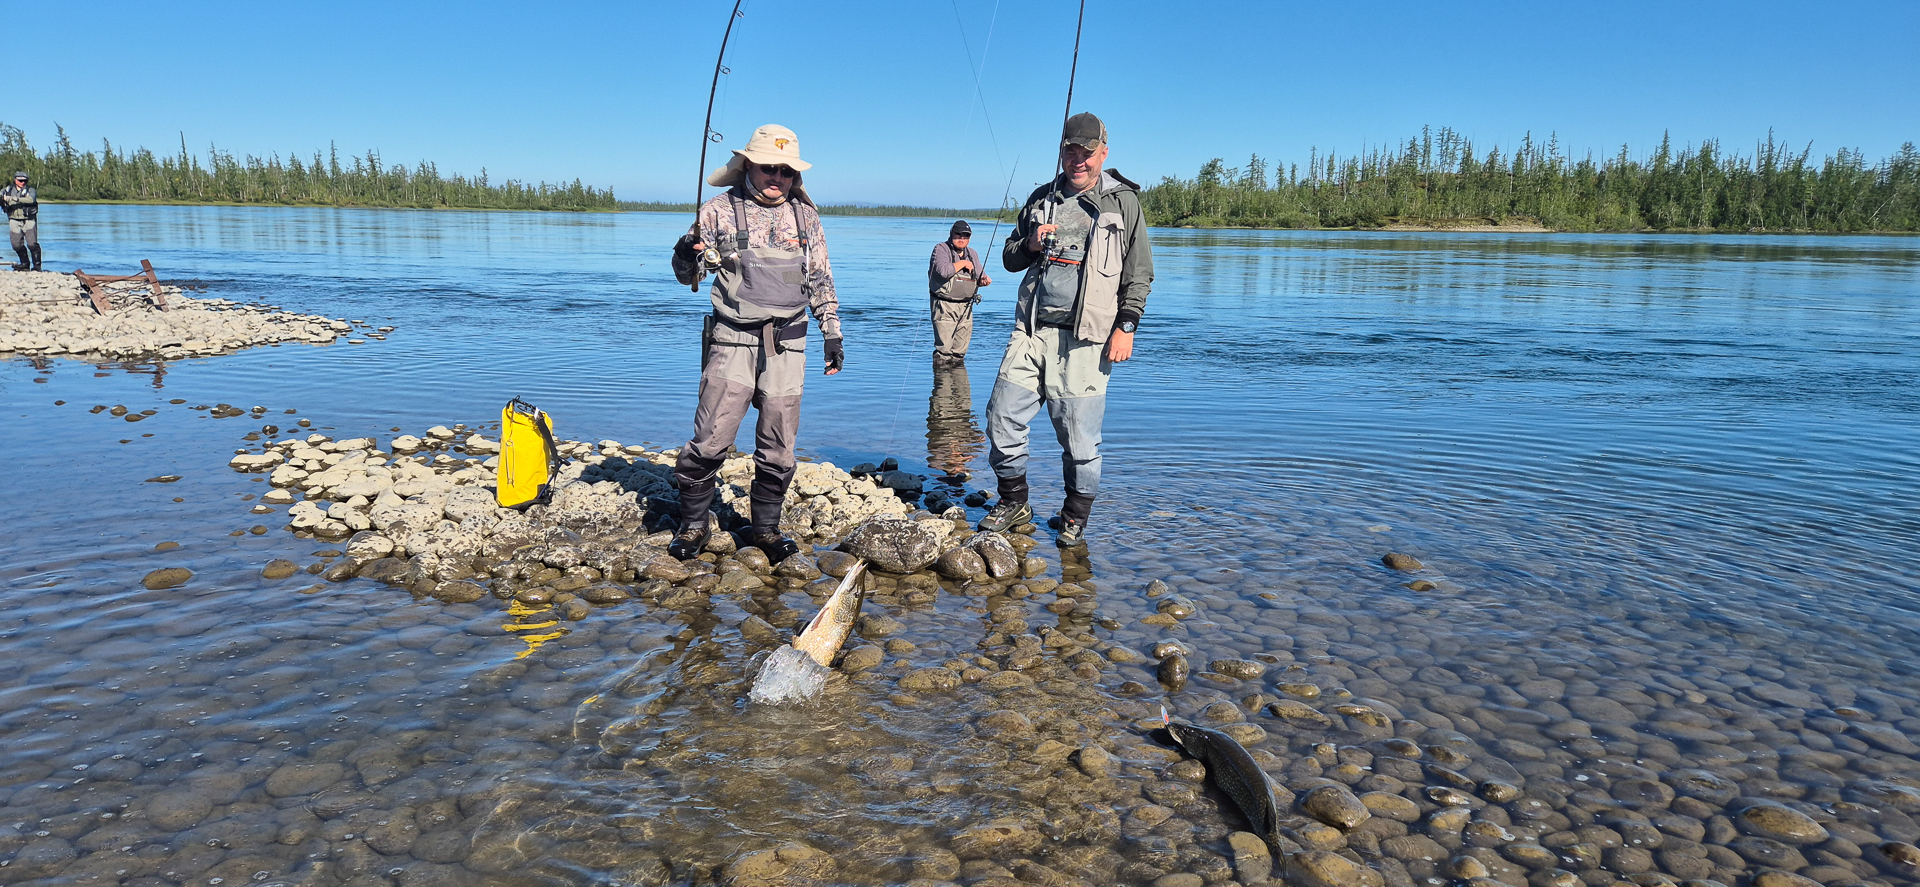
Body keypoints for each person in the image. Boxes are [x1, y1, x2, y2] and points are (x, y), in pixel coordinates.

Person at [668, 124, 844, 563]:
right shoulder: (717, 211)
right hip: (731, 340)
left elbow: (821, 278)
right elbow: (685, 275)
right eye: (769, 168)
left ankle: (765, 529)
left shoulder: (807, 217)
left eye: (786, 171)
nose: (777, 177)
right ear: (748, 165)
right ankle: (692, 526)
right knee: (710, 440)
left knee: (780, 448)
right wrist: (685, 253)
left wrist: (832, 331)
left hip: (789, 344)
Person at [977, 112, 1153, 546]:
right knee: (1000, 418)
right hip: (1031, 331)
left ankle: (1074, 515)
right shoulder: (1042, 197)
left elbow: (1140, 272)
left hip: (1088, 338)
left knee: (1078, 439)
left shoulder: (1123, 202)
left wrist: (1126, 326)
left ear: (1103, 153)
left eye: (1087, 153)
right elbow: (1010, 257)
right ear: (1062, 152)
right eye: (1070, 151)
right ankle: (1014, 500)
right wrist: (1032, 242)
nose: (1078, 160)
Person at [928, 219, 990, 365]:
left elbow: (980, 274)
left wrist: (984, 280)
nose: (962, 238)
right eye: (958, 234)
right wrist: (963, 263)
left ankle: (959, 384)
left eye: (966, 235)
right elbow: (943, 272)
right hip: (944, 306)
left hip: (966, 308)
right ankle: (942, 384)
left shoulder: (972, 253)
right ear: (951, 234)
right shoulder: (941, 249)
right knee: (944, 352)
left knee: (959, 353)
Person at [2, 171, 40, 271]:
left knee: (32, 244)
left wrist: (13, 199)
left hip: (29, 219)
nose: (23, 182)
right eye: (20, 180)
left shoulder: (30, 190)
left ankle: (37, 266)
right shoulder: (7, 190)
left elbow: (31, 200)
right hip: (13, 219)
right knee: (16, 244)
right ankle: (24, 263)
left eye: (25, 180)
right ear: (15, 180)